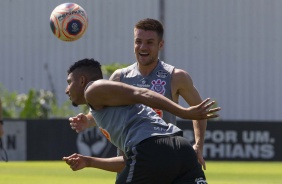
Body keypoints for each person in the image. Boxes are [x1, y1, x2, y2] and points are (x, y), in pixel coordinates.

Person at [69, 18, 210, 170]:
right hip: (130, 159)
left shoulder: (176, 76)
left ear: (160, 45)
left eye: (149, 42)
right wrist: (88, 120)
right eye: (138, 41)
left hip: (163, 155)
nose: (143, 47)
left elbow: (199, 111)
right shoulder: (119, 77)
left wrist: (198, 145)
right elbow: (109, 112)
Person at [63, 58, 220, 183]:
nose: (67, 89)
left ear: (82, 80)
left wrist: (184, 113)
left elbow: (142, 93)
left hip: (152, 150)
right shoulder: (111, 113)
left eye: (69, 82)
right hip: (182, 150)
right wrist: (89, 161)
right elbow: (127, 162)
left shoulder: (92, 89)